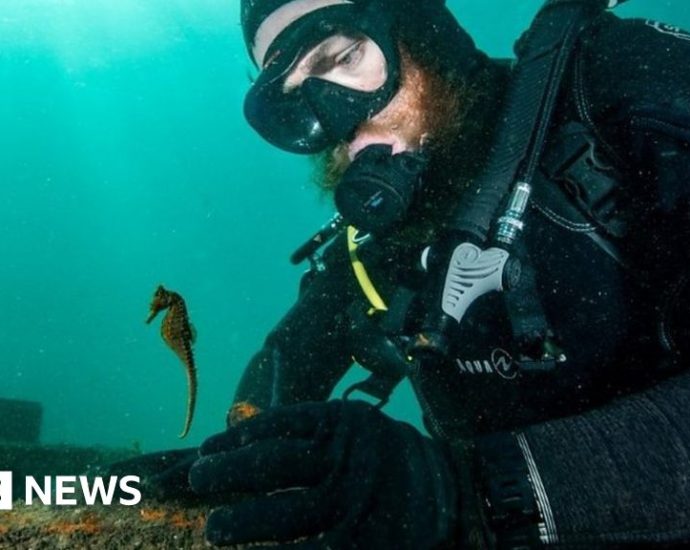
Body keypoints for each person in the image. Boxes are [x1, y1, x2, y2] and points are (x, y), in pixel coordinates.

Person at [137, 0, 690, 547]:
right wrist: (232, 463)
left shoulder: (620, 81)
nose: (336, 117)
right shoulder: (380, 257)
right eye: (294, 100)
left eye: (343, 56)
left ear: (425, 29)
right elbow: (289, 360)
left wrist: (469, 491)